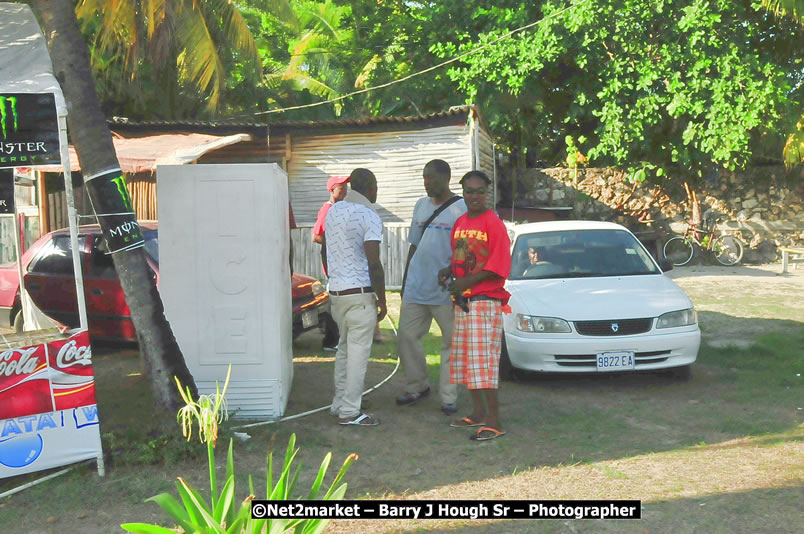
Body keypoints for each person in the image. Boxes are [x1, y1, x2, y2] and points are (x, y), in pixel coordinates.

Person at [439, 170, 511, 441]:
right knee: (469, 361)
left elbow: (497, 266)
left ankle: (494, 421)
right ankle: (478, 412)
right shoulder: (460, 222)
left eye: (480, 191)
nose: (474, 196)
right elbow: (463, 256)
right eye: (469, 191)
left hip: (485, 301)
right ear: (463, 192)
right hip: (464, 301)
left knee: (484, 363)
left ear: (487, 193)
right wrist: (450, 271)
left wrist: (466, 280)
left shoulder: (493, 223)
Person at [396, 159, 467, 415]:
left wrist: (460, 283)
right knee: (406, 337)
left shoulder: (461, 208)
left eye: (432, 178)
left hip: (445, 291)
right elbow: (414, 246)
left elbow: (465, 250)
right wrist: (405, 282)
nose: (427, 182)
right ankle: (417, 386)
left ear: (446, 178)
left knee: (451, 342)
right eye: (425, 177)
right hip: (416, 286)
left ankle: (448, 397)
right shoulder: (420, 205)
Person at [324, 168, 387, 426]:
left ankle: (339, 402)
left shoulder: (332, 211)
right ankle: (350, 411)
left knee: (344, 350)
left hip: (337, 293)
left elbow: (328, 251)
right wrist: (382, 300)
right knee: (358, 355)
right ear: (371, 187)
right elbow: (374, 262)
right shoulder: (369, 215)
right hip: (359, 293)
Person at [313, 175, 350, 351]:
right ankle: (330, 341)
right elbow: (316, 236)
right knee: (334, 303)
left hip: (339, 262)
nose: (345, 190)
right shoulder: (327, 209)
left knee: (338, 302)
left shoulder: (339, 209)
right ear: (332, 190)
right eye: (341, 187)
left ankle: (335, 340)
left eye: (346, 187)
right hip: (331, 263)